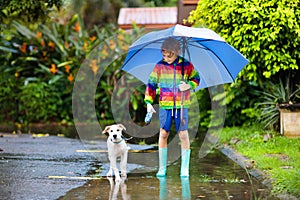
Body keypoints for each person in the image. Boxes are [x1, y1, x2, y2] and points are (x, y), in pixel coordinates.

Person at [144, 37, 200, 177]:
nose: (167, 58)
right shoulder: (159, 66)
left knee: (183, 134)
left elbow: (196, 78)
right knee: (164, 133)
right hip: (165, 105)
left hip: (181, 105)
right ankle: (162, 168)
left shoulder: (186, 65)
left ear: (178, 51)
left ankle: (184, 168)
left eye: (170, 55)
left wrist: (188, 85)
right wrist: (149, 103)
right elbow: (151, 84)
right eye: (164, 55)